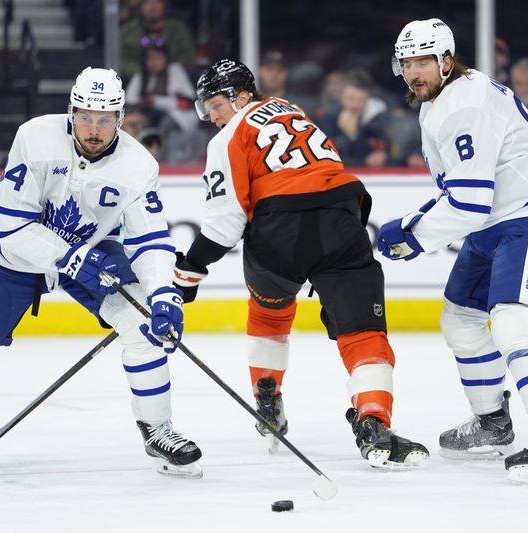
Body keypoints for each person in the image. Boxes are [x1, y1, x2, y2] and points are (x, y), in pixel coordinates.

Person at [0, 67, 203, 478]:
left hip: (91, 251)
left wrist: (162, 295)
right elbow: (12, 228)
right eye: (85, 116)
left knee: (143, 327)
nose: (94, 129)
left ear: (121, 119)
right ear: (70, 111)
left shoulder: (138, 166)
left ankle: (158, 430)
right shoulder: (35, 137)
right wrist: (74, 259)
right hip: (18, 256)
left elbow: (149, 241)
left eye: (105, 119)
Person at [173, 59, 428, 468]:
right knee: (364, 334)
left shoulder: (227, 138)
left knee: (269, 316)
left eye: (216, 105)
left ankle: (267, 395)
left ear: (241, 97)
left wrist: (188, 270)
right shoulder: (292, 110)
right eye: (206, 111)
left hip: (280, 231)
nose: (213, 117)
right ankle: (374, 422)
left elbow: (224, 225)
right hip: (342, 220)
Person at [380, 18, 528, 483]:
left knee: (512, 318)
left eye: (423, 62)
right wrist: (419, 223)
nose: (414, 72)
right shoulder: (445, 98)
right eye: (406, 62)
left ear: (447, 61)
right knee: (461, 317)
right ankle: (493, 422)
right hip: (496, 215)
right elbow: (468, 188)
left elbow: (471, 198)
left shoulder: (460, 104)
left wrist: (414, 233)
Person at [119, 0, 195, 78]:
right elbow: (119, 58)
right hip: (135, 78)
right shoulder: (128, 31)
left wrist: (167, 70)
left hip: (173, 78)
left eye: (158, 2)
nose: (153, 7)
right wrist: (143, 72)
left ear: (164, 6)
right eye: (147, 3)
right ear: (140, 7)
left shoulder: (177, 28)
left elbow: (188, 56)